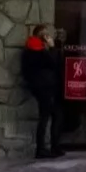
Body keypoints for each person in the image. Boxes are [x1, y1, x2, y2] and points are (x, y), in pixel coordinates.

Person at [21, 28, 64, 159]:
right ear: (43, 36)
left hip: (38, 87)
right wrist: (52, 47)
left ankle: (48, 147)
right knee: (51, 116)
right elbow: (54, 63)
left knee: (46, 116)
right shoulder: (40, 51)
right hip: (46, 87)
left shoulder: (29, 49)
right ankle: (46, 148)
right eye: (46, 34)